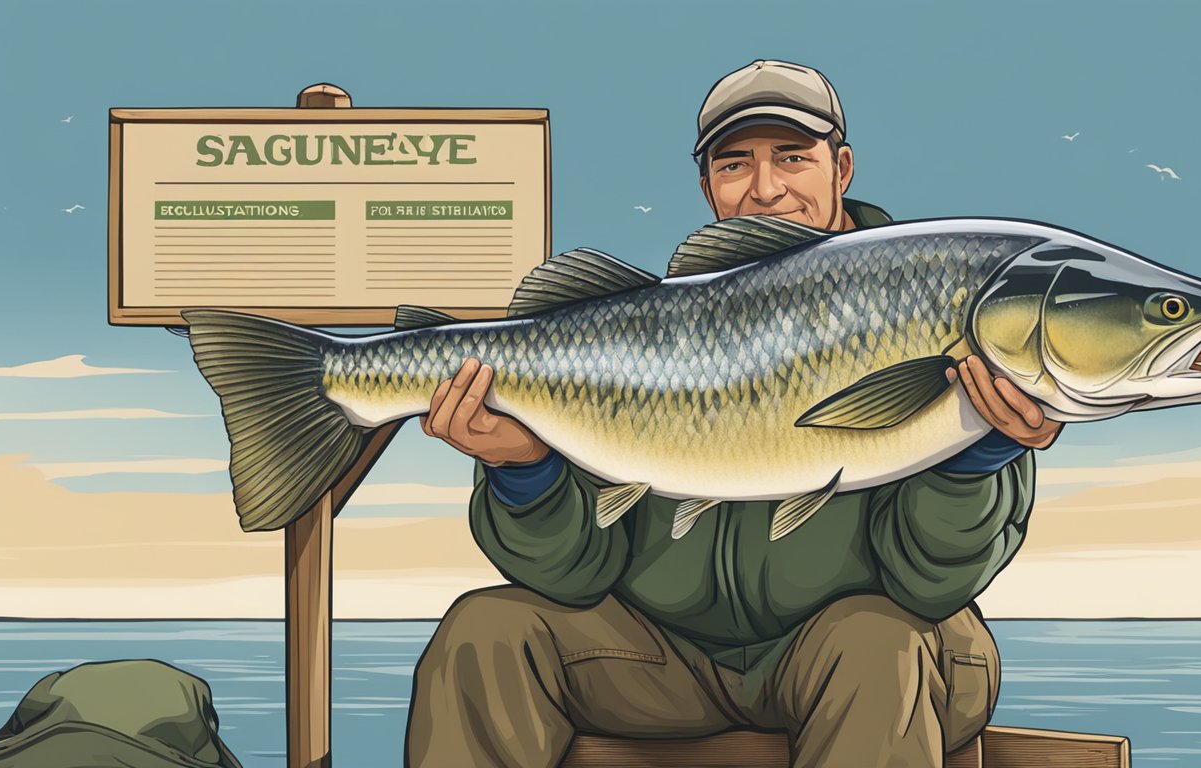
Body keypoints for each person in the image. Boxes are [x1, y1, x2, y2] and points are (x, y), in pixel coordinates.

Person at [405, 59, 1062, 768]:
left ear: (841, 168)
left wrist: (978, 457)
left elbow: (928, 584)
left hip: (876, 659)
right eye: (734, 164)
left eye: (792, 157)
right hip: (666, 662)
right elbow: (577, 574)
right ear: (706, 186)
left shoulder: (942, 307)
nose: (766, 188)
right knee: (485, 631)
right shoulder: (649, 333)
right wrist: (523, 470)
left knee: (877, 639)